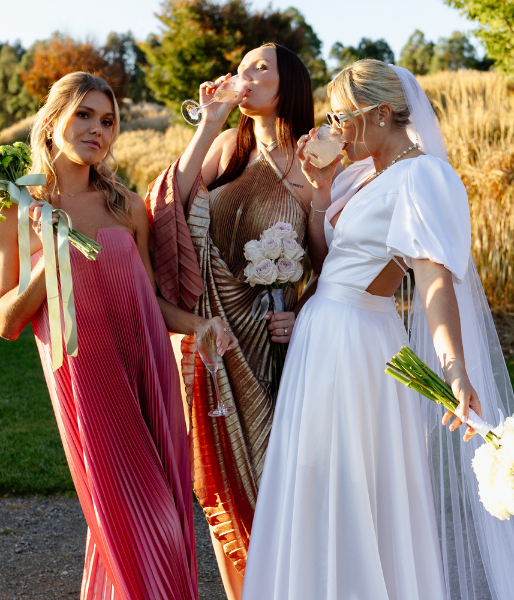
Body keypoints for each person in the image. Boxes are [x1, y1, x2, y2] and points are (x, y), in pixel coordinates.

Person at [241, 60, 514, 600]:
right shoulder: (359, 173)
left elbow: (433, 282)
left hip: (355, 344)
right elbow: (332, 262)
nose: (332, 128)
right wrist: (322, 190)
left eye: (341, 116)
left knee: (353, 490)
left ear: (378, 113)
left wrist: (453, 366)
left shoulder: (422, 176)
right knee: (315, 482)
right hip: (321, 335)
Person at [0, 71, 235, 600]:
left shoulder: (125, 205)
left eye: (108, 120)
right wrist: (46, 259)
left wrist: (200, 325)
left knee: (166, 515)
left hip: (149, 371)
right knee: (129, 519)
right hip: (87, 381)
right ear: (52, 121)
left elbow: (151, 301)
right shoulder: (11, 208)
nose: (98, 129)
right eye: (84, 115)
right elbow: (5, 321)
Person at [145, 43, 326, 598]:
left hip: (275, 343)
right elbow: (167, 205)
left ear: (289, 83)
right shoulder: (227, 145)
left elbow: (333, 260)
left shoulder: (315, 160)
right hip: (215, 335)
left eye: (258, 68)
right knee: (225, 483)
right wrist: (212, 121)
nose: (243, 76)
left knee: (284, 479)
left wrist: (301, 312)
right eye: (240, 68)